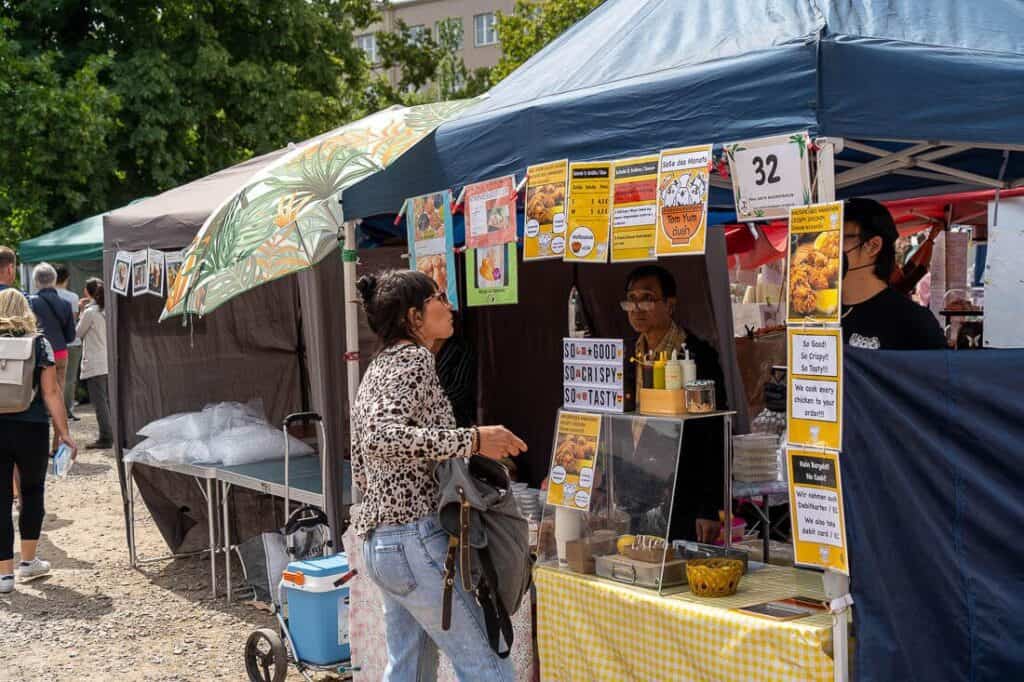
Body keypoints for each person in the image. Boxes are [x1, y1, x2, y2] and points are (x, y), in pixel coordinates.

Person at [351, 269, 526, 682]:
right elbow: (379, 438)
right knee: (488, 666)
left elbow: (361, 462)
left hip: (384, 543)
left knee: (409, 669)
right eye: (439, 299)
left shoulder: (379, 366)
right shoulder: (413, 360)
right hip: (414, 541)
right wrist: (474, 440)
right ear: (414, 318)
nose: (450, 307)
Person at [620, 264, 728, 543]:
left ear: (670, 304)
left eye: (647, 298)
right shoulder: (631, 355)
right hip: (637, 493)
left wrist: (709, 506)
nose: (637, 307)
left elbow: (713, 433)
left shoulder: (697, 356)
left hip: (683, 493)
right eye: (631, 299)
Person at [0, 289, 77, 593]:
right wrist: (65, 432)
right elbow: (52, 392)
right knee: (32, 492)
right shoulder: (39, 344)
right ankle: (28, 562)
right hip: (31, 428)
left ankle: (4, 575)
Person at [841, 198, 947, 350]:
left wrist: (930, 240)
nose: (827, 247)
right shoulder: (813, 316)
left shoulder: (913, 322)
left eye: (837, 237)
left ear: (873, 246)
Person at [28, 264, 76, 399]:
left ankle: (44, 416)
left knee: (39, 385)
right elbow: (71, 336)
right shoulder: (66, 304)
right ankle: (58, 418)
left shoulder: (30, 302)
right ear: (54, 280)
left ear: (36, 282)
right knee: (59, 384)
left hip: (39, 351)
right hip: (60, 351)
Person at [77, 279, 111, 449]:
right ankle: (113, 434)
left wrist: (81, 311)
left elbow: (78, 332)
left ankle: (106, 437)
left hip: (95, 362)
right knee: (109, 401)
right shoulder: (110, 310)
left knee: (100, 403)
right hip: (109, 361)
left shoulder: (91, 312)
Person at [54, 265, 82, 421]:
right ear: (67, 279)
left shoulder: (45, 296)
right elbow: (74, 319)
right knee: (70, 379)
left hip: (54, 343)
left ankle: (52, 409)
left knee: (52, 377)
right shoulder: (72, 297)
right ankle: (67, 410)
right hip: (72, 342)